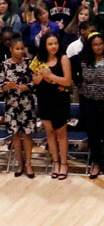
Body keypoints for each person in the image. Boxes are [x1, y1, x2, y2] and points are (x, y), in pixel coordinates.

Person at [73, 32, 104, 180]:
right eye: (95, 45)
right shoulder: (82, 59)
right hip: (88, 102)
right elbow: (73, 72)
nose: (98, 47)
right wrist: (79, 84)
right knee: (93, 134)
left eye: (100, 44)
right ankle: (95, 163)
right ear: (90, 46)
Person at [32, 32, 73, 179]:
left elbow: (67, 81)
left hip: (59, 100)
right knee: (49, 132)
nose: (53, 46)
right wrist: (40, 76)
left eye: (55, 43)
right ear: (44, 45)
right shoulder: (38, 60)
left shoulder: (63, 58)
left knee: (61, 133)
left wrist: (51, 76)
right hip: (44, 99)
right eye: (50, 44)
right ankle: (55, 162)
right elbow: (35, 82)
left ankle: (64, 163)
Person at [1, 37, 36, 178]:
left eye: (22, 48)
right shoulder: (3, 65)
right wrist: (6, 87)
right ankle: (19, 163)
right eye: (17, 49)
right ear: (11, 49)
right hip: (12, 105)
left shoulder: (29, 63)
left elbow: (36, 82)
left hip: (27, 104)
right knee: (15, 135)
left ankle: (28, 163)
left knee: (27, 134)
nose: (20, 51)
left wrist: (27, 86)